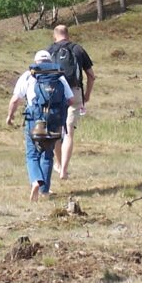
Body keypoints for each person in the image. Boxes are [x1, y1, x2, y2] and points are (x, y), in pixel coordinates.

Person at [6, 50, 77, 201]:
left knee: (32, 153)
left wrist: (10, 116)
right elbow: (71, 100)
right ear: (50, 61)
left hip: (34, 118)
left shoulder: (28, 75)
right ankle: (44, 190)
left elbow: (14, 100)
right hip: (54, 119)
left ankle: (35, 181)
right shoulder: (59, 76)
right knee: (47, 154)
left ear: (36, 61)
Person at [48, 24, 95, 180]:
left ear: (55, 36)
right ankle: (64, 171)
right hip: (74, 92)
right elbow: (91, 75)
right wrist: (86, 94)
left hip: (54, 93)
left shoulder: (49, 50)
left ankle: (59, 164)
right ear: (67, 34)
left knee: (56, 131)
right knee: (68, 132)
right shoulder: (77, 49)